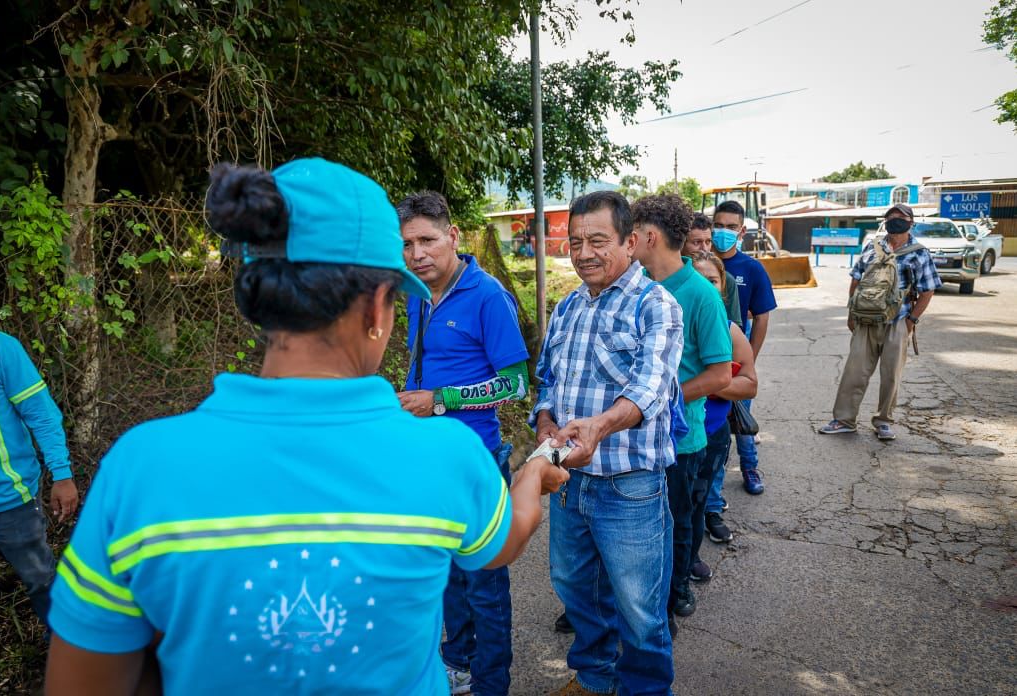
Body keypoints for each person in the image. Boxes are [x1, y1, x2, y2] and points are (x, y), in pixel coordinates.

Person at [45, 158, 571, 696]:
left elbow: (83, 679)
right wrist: (533, 474)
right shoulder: (445, 457)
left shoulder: (139, 466)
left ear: (257, 300)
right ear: (377, 308)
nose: (419, 255)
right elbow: (507, 540)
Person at [534, 190, 683, 696]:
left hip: (630, 486)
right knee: (575, 589)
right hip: (569, 481)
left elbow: (651, 389)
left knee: (640, 610)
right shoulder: (568, 305)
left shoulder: (656, 305)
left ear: (631, 241)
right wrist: (545, 421)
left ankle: (644, 688)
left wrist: (598, 426)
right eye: (575, 242)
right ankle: (596, 678)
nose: (583, 252)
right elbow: (547, 379)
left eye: (598, 240)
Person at [396, 191, 530, 696]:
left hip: (476, 462)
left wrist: (441, 400)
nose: (417, 254)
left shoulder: (488, 295)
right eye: (407, 244)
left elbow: (515, 384)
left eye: (427, 240)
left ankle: (493, 682)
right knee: (446, 574)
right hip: (427, 461)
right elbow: (422, 363)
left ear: (452, 236)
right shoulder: (416, 292)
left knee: (485, 582)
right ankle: (458, 662)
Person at [631, 196, 732, 626]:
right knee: (633, 529)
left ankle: (671, 600)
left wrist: (659, 400)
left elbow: (721, 374)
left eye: (630, 232)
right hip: (632, 436)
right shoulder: (633, 287)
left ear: (649, 237)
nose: (626, 240)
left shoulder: (701, 295)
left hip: (679, 439)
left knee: (673, 524)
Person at [0, 315, 77, 628]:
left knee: (41, 580)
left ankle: (66, 647)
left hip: (7, 502)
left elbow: (42, 415)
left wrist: (61, 473)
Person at [819, 203, 941, 440]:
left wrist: (911, 321)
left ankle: (884, 421)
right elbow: (856, 279)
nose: (895, 220)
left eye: (901, 217)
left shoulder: (919, 252)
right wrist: (851, 313)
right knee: (854, 372)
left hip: (898, 321)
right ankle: (844, 419)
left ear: (911, 222)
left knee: (891, 375)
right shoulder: (872, 247)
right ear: (885, 221)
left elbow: (927, 291)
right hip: (865, 320)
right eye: (891, 217)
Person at [688, 252, 758, 575]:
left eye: (712, 281)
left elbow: (749, 384)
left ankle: (690, 558)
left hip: (712, 433)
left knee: (698, 500)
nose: (705, 286)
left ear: (723, 289)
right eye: (698, 279)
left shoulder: (730, 330)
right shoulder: (666, 324)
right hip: (674, 435)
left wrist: (713, 386)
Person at [711, 200, 776, 497]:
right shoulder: (701, 264)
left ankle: (749, 466)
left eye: (730, 227)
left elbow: (761, 317)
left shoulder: (751, 269)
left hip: (736, 357)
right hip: (704, 359)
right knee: (712, 422)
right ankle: (713, 484)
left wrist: (750, 358)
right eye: (718, 225)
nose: (723, 232)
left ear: (742, 231)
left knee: (741, 417)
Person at [684, 213, 742, 328]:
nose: (704, 249)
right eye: (696, 242)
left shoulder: (725, 279)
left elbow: (734, 330)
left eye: (708, 242)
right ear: (681, 243)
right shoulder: (671, 277)